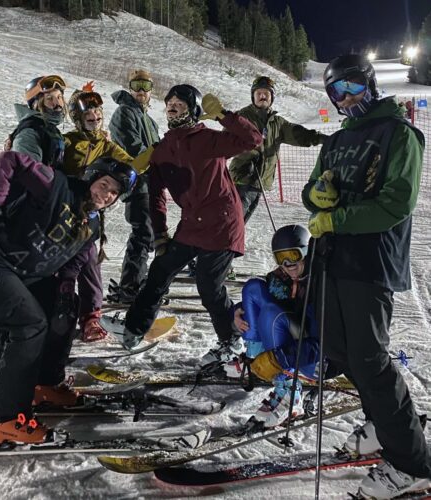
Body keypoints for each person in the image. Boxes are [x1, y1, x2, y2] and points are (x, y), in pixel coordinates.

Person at [302, 54, 431, 499]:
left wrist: (336, 219)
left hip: (371, 259)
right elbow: (312, 188)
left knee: (370, 359)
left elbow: (397, 203)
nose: (346, 98)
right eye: (336, 92)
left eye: (352, 87)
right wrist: (314, 194)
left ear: (371, 84)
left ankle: (413, 462)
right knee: (341, 351)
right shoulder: (338, 139)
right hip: (331, 258)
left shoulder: (400, 133)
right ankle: (382, 423)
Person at [0, 151, 136, 445]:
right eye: (104, 185)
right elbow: (10, 160)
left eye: (114, 192)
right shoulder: (56, 186)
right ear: (92, 177)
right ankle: (4, 420)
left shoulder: (91, 222)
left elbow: (76, 261)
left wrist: (67, 294)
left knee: (61, 309)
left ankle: (45, 384)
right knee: (29, 325)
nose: (108, 194)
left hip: (18, 272)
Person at [101, 84, 263, 367]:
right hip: (191, 225)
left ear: (194, 109)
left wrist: (224, 115)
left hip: (222, 224)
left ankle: (231, 341)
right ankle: (134, 329)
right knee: (160, 270)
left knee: (208, 284)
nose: (172, 105)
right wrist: (161, 234)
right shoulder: (162, 149)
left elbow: (253, 139)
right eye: (170, 102)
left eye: (180, 102)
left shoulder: (209, 139)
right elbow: (155, 197)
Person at [0, 75, 69, 378]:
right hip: (17, 221)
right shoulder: (31, 131)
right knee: (2, 295)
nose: (57, 102)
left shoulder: (48, 130)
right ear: (35, 103)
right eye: (49, 98)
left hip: (27, 222)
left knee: (10, 293)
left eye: (60, 97)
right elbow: (23, 168)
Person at [226, 225, 319, 427]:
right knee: (253, 287)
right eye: (281, 258)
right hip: (291, 336)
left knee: (270, 314)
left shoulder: (319, 282)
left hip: (310, 354)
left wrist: (280, 357)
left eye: (293, 255)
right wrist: (238, 312)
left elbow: (323, 337)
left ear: (306, 253)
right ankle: (254, 358)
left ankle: (290, 392)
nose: (287, 264)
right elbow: (261, 299)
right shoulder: (281, 278)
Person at [61, 83, 133, 341]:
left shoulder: (106, 144)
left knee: (90, 261)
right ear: (78, 119)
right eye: (88, 117)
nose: (94, 120)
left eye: (97, 117)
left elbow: (130, 164)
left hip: (91, 212)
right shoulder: (69, 141)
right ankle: (60, 310)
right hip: (64, 208)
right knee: (61, 263)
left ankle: (91, 316)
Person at [229, 76, 327, 223]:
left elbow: (300, 135)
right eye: (258, 94)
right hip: (242, 180)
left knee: (240, 223)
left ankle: (231, 245)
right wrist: (247, 156)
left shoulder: (277, 123)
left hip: (259, 183)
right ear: (253, 96)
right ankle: (222, 246)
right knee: (233, 222)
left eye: (266, 94)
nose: (262, 97)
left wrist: (325, 139)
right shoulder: (242, 117)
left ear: (271, 97)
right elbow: (225, 142)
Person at [107, 69, 160, 303]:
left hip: (150, 184)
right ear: (130, 87)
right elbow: (134, 148)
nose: (141, 90)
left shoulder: (149, 120)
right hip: (135, 181)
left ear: (151, 91)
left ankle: (137, 279)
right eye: (136, 85)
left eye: (145, 86)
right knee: (142, 232)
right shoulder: (124, 113)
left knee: (149, 235)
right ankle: (130, 286)